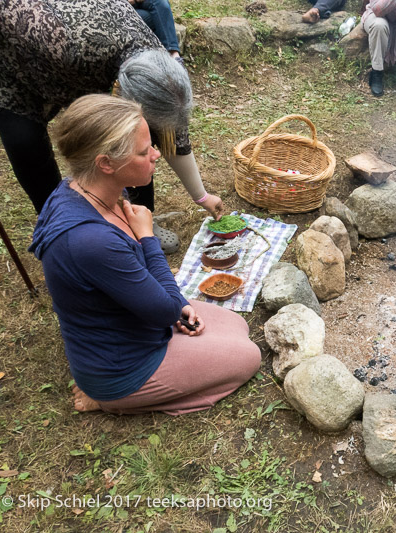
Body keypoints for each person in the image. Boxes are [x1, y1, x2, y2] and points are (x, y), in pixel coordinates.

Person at [29, 95, 261, 415]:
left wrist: (177, 304)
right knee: (248, 357)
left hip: (133, 320)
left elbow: (164, 301)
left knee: (237, 326)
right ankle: (112, 400)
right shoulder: (90, 241)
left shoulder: (81, 185)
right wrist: (147, 238)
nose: (156, 155)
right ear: (105, 163)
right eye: (144, 151)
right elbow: (165, 310)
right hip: (122, 367)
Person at [0, 0, 223, 253]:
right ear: (124, 96)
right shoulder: (55, 38)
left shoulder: (155, 63)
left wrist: (201, 196)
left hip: (93, 60)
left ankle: (138, 219)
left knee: (134, 147)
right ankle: (65, 234)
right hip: (9, 60)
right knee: (26, 144)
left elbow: (173, 135)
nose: (156, 153)